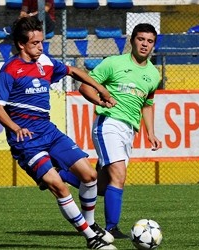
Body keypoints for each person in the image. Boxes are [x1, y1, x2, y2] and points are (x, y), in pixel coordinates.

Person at [0, 17, 116, 250]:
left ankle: (91, 225)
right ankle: (91, 238)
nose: (40, 47)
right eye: (35, 43)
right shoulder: (10, 71)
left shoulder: (45, 62)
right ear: (20, 44)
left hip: (49, 131)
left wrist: (101, 89)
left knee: (89, 176)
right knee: (59, 186)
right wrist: (16, 128)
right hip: (27, 141)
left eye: (42, 42)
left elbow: (73, 71)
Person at [77, 23, 162, 239]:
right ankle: (111, 228)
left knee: (103, 185)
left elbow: (147, 104)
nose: (145, 44)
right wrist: (101, 102)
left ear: (154, 45)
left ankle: (58, 174)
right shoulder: (113, 63)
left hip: (129, 130)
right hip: (109, 123)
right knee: (119, 177)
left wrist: (150, 132)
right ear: (132, 40)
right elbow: (85, 86)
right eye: (141, 39)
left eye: (149, 41)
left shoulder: (153, 74)